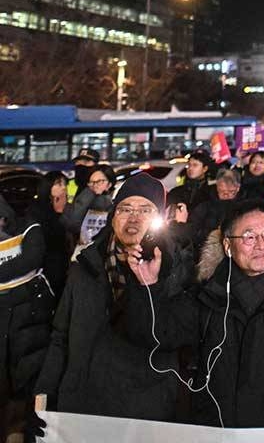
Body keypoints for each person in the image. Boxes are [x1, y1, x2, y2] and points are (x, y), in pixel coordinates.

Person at [126, 200, 264, 427]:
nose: (261, 244)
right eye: (249, 237)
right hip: (218, 429)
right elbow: (157, 334)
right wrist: (148, 286)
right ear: (228, 245)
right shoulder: (209, 294)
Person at [34, 174, 190, 423]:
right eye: (125, 208)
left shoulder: (178, 269)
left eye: (146, 210)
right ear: (113, 216)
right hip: (81, 405)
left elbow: (175, 339)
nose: (134, 218)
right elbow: (60, 337)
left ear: (160, 218)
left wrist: (150, 287)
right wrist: (43, 397)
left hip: (143, 413)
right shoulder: (85, 266)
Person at [0, 194, 54, 442]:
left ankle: (19, 431)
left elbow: (31, 258)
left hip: (29, 316)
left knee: (25, 382)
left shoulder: (28, 226)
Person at [63, 164, 115, 255]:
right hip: (85, 250)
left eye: (99, 181)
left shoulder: (117, 201)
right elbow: (72, 223)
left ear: (109, 184)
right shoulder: (85, 198)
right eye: (91, 182)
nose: (94, 185)